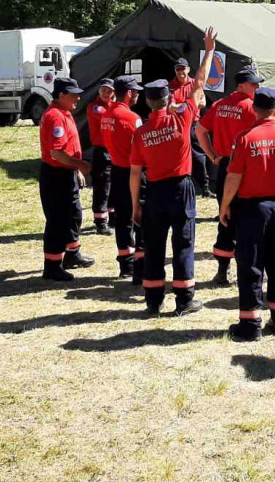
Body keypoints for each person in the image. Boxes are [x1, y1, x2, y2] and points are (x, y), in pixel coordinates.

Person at [130, 29, 216, 314]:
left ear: (148, 103)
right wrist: (209, 50)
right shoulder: (181, 119)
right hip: (181, 189)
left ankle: (153, 301)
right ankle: (185, 300)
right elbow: (200, 83)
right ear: (169, 99)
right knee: (183, 244)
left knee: (154, 246)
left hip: (154, 192)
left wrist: (135, 206)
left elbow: (134, 173)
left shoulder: (141, 133)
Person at [220, 87, 275, 342]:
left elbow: (233, 177)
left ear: (253, 109)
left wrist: (225, 204)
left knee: (250, 265)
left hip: (252, 210)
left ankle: (250, 325)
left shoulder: (245, 138)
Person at [195, 67, 262, 286]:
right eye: (253, 84)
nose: (257, 87)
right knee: (251, 218)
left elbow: (200, 130)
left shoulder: (220, 105)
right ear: (241, 85)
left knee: (225, 216)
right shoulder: (252, 108)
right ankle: (252, 270)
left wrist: (212, 155)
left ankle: (222, 271)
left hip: (224, 166)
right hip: (247, 169)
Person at [39, 77, 95, 281]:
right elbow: (57, 153)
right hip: (56, 175)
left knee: (73, 214)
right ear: (61, 95)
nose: (78, 97)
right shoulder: (55, 116)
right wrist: (82, 166)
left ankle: (72, 253)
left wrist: (76, 169)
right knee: (57, 220)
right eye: (73, 94)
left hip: (66, 172)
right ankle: (52, 266)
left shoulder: (65, 112)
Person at [104, 75, 146, 280]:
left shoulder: (107, 114)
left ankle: (125, 265)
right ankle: (139, 265)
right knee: (139, 218)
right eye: (136, 91)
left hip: (117, 170)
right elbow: (141, 146)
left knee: (121, 219)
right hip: (133, 172)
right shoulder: (131, 118)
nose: (138, 94)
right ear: (129, 93)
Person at [170, 56, 213, 199]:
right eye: (178, 69)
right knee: (180, 156)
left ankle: (205, 186)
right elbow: (170, 107)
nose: (180, 71)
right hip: (178, 125)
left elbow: (202, 103)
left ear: (188, 69)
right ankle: (187, 183)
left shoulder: (195, 83)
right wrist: (189, 105)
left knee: (199, 156)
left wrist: (181, 105)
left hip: (194, 124)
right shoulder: (171, 86)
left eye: (183, 68)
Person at [86, 79, 115, 235]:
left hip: (113, 151)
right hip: (101, 151)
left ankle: (112, 217)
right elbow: (111, 117)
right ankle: (100, 222)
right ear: (99, 91)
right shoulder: (94, 107)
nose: (106, 94)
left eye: (109, 91)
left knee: (112, 186)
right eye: (104, 90)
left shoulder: (112, 107)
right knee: (102, 187)